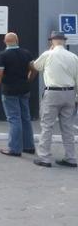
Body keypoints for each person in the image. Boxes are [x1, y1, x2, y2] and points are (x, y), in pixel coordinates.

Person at [31, 31, 78, 168]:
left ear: (52, 41)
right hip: (69, 93)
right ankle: (71, 158)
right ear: (64, 41)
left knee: (47, 126)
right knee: (68, 127)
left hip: (52, 93)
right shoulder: (74, 57)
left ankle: (45, 158)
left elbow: (35, 66)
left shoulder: (48, 54)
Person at [0, 32, 36, 157]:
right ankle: (29, 146)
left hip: (9, 91)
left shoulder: (3, 55)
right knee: (25, 118)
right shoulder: (26, 53)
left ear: (5, 42)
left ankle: (14, 149)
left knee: (14, 119)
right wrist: (29, 80)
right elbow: (34, 69)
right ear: (17, 41)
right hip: (24, 89)